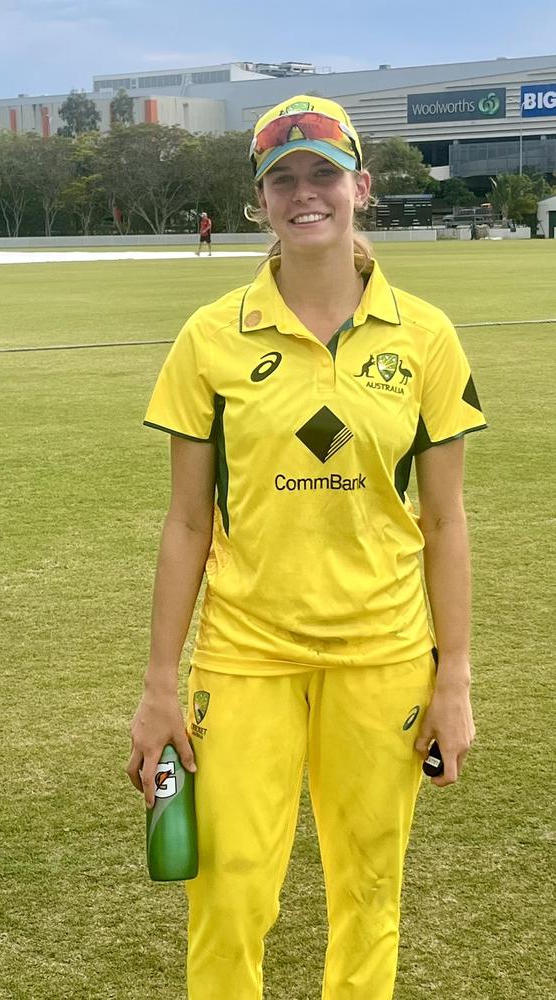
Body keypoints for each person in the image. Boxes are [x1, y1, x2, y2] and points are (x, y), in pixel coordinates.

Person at [127, 94, 487, 1000]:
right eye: (281, 179)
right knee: (229, 893)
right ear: (260, 202)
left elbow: (445, 522)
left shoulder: (426, 337)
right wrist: (158, 687)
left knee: (369, 893)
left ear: (360, 186)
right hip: (246, 655)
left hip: (385, 654)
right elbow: (185, 523)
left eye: (323, 173)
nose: (304, 193)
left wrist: (455, 680)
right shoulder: (210, 337)